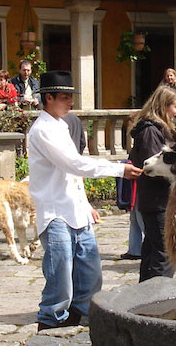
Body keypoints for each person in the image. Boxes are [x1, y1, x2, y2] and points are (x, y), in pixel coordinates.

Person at [27, 71, 142, 329]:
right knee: (60, 275)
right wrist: (119, 169)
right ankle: (51, 320)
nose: (70, 103)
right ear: (48, 98)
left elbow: (72, 174)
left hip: (75, 210)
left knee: (90, 272)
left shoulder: (61, 125)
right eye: (65, 97)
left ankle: (78, 316)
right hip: (55, 212)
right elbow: (74, 164)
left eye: (71, 97)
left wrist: (86, 204)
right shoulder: (43, 130)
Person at [128, 84, 176, 280]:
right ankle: (159, 299)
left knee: (152, 251)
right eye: (175, 106)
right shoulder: (150, 131)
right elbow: (152, 167)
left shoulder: (156, 129)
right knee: (164, 253)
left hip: (159, 200)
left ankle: (145, 298)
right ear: (163, 106)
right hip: (156, 201)